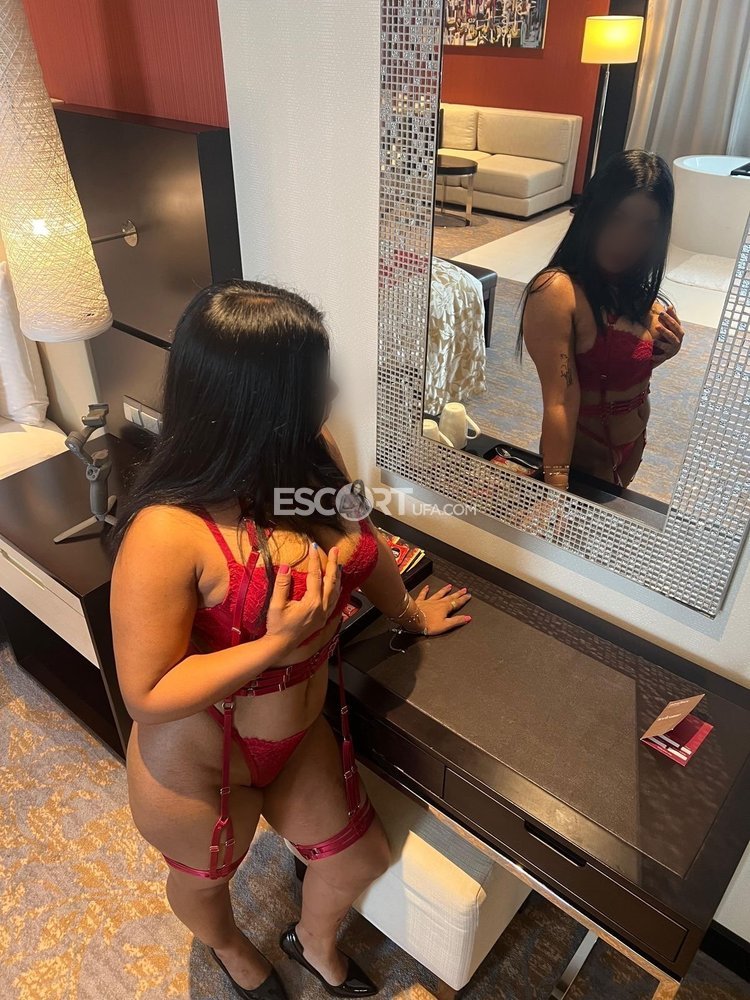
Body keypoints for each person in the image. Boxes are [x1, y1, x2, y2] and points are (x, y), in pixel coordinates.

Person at [110, 281, 472, 1000]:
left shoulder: (311, 457)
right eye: (312, 383)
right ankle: (229, 949)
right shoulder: (168, 531)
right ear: (253, 402)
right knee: (206, 883)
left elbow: (364, 541)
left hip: (298, 736)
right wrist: (273, 647)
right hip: (197, 766)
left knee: (357, 859)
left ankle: (311, 940)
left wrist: (406, 614)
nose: (331, 392)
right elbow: (147, 692)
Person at [519, 150, 685, 490]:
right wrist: (556, 487)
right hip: (583, 454)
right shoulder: (557, 290)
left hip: (631, 448)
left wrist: (665, 349)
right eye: (617, 219)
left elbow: (618, 366)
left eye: (645, 227)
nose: (627, 240)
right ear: (594, 213)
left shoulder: (635, 291)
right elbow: (560, 400)